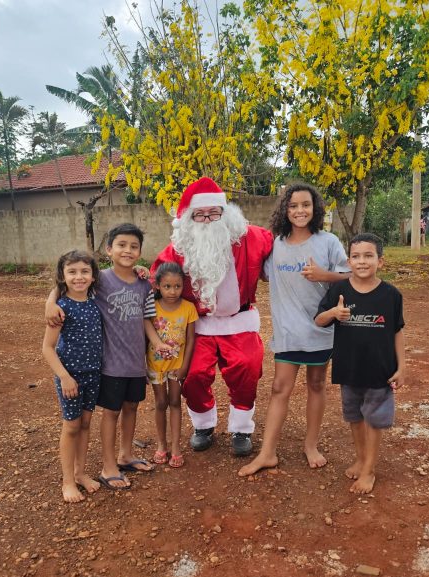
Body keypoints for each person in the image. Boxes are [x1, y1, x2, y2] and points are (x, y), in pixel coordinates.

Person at [151, 177, 273, 457]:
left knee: (247, 368)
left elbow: (281, 249)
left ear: (225, 213)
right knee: (192, 375)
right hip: (199, 327)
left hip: (240, 322)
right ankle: (203, 425)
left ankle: (241, 428)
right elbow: (154, 278)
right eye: (200, 214)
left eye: (213, 213)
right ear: (189, 217)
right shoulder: (179, 248)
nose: (207, 219)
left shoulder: (252, 237)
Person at [239, 183, 350, 477]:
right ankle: (267, 453)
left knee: (316, 385)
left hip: (320, 327)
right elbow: (257, 270)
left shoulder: (328, 242)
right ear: (284, 210)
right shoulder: (274, 245)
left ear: (314, 209)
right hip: (288, 330)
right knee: (279, 388)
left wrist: (322, 275)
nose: (299, 211)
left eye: (305, 205)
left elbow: (349, 276)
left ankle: (311, 445)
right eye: (293, 206)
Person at [46, 224, 164, 490]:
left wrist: (156, 343)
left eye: (134, 246)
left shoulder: (144, 283)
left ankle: (125, 455)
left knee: (131, 407)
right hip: (110, 362)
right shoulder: (100, 281)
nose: (128, 250)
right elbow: (69, 284)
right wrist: (50, 302)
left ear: (140, 252)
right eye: (121, 245)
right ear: (109, 249)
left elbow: (147, 318)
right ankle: (108, 466)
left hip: (136, 361)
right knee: (111, 413)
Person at [315, 233, 406, 495]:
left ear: (381, 261)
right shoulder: (339, 290)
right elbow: (319, 320)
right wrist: (333, 313)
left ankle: (369, 470)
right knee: (354, 417)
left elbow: (397, 331)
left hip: (380, 372)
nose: (362, 261)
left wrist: (402, 366)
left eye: (369, 256)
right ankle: (360, 458)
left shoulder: (391, 295)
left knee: (375, 421)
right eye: (356, 256)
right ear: (348, 260)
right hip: (349, 369)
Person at [42, 250, 103, 503]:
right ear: (63, 276)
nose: (79, 277)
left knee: (86, 424)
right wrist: (65, 377)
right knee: (71, 426)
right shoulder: (60, 309)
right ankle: (67, 481)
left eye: (85, 271)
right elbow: (47, 348)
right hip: (71, 378)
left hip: (94, 374)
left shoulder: (95, 302)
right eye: (72, 272)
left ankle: (80, 473)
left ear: (93, 276)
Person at [147, 261, 198, 468]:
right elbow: (145, 334)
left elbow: (191, 339)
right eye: (167, 286)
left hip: (177, 366)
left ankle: (176, 446)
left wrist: (185, 366)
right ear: (158, 285)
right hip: (155, 365)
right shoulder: (152, 307)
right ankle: (162, 444)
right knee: (160, 403)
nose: (172, 291)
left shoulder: (188, 308)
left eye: (177, 286)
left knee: (175, 402)